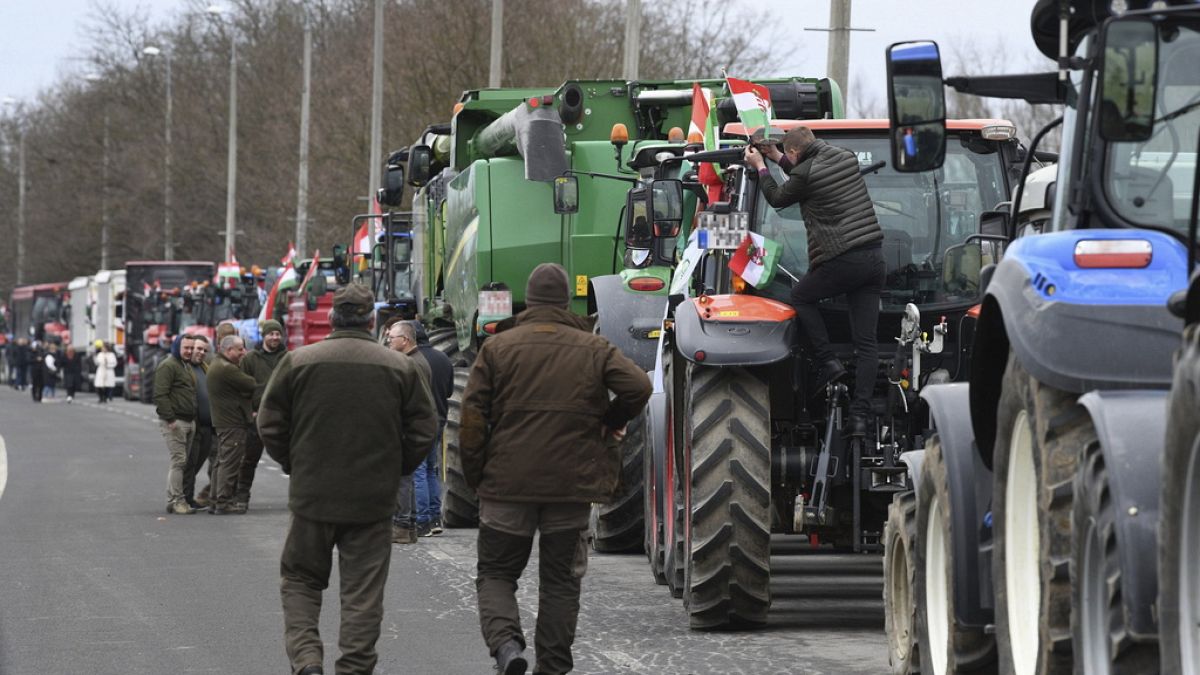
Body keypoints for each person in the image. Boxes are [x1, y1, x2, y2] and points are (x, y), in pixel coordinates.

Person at [460, 263, 652, 675]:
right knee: (561, 582)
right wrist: (612, 419)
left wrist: (477, 477)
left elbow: (472, 419)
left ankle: (507, 646)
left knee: (496, 573)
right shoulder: (594, 347)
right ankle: (553, 666)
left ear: (528, 301)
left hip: (506, 486)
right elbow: (640, 386)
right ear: (567, 302)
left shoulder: (497, 348)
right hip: (571, 487)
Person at [258, 284, 437, 675]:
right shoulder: (400, 367)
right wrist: (396, 467)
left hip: (312, 496)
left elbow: (269, 423)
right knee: (362, 594)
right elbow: (425, 428)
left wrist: (295, 463)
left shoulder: (298, 361)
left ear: (331, 318)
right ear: (371, 320)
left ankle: (307, 659)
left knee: (301, 580)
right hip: (373, 500)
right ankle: (354, 668)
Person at [744, 126, 885, 434]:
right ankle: (859, 417)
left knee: (801, 297)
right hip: (874, 259)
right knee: (866, 342)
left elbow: (778, 197)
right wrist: (777, 156)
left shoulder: (804, 174)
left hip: (842, 260)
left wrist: (761, 167)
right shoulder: (845, 157)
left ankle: (828, 361)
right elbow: (806, 170)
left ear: (795, 152)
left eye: (788, 154)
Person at [385, 319, 432, 545]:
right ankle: (410, 524)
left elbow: (418, 401)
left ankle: (402, 526)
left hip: (408, 428)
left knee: (403, 478)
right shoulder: (414, 360)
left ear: (404, 340)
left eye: (391, 338)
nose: (388, 341)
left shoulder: (412, 364)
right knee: (409, 478)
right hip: (412, 427)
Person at [235, 319, 288, 510]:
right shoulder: (250, 359)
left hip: (283, 418)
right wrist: (249, 411)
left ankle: (299, 498)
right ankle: (242, 496)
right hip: (256, 418)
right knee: (249, 459)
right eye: (271, 334)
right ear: (264, 335)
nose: (275, 337)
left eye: (278, 334)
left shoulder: (288, 358)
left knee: (293, 459)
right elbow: (241, 389)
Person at [410, 321, 454, 537]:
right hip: (440, 419)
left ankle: (422, 520)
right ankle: (436, 518)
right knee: (431, 469)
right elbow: (449, 391)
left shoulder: (412, 360)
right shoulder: (443, 358)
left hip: (419, 421)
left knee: (418, 470)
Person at [206, 335, 256, 515]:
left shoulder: (217, 364)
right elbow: (251, 384)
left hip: (223, 422)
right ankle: (223, 501)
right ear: (229, 350)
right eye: (240, 349)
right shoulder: (227, 368)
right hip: (232, 422)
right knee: (229, 464)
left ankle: (214, 500)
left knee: (221, 462)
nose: (244, 352)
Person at [154, 334, 198, 515]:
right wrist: (171, 419)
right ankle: (178, 502)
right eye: (186, 347)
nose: (189, 351)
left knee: (180, 463)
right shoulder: (168, 365)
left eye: (191, 348)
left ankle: (173, 500)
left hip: (188, 421)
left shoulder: (185, 365)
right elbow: (160, 395)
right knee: (179, 461)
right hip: (176, 422)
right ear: (177, 347)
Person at [184, 335, 214, 511]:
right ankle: (183, 498)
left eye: (204, 350)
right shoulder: (184, 369)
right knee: (189, 464)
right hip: (193, 425)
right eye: (198, 349)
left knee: (197, 464)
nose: (201, 353)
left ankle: (188, 497)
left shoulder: (205, 368)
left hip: (207, 427)